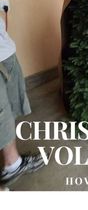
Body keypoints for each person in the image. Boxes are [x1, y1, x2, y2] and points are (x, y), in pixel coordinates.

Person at [0, 15, 45, 190]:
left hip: (5, 52)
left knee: (8, 108)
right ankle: (12, 165)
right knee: (2, 112)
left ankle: (13, 161)